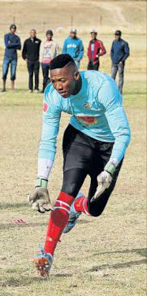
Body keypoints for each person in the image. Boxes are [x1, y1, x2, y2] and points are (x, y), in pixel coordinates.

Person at [29, 54, 131, 277]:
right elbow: (47, 139)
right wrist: (41, 181)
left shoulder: (103, 87)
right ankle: (46, 254)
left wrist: (110, 168)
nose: (58, 86)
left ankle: (79, 207)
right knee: (67, 191)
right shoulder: (53, 96)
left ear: (76, 75)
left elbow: (123, 133)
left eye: (63, 80)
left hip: (109, 145)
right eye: (54, 81)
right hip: (79, 139)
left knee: (95, 209)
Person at [2, 24, 21, 92]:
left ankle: (12, 87)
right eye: (12, 28)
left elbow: (19, 47)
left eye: (14, 29)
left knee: (13, 73)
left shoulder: (17, 37)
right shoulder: (6, 36)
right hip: (7, 56)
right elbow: (7, 45)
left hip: (14, 57)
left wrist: (11, 44)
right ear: (10, 29)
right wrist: (15, 44)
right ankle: (3, 87)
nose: (13, 30)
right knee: (4, 72)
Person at [110, 30, 129, 94]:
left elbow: (127, 53)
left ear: (120, 35)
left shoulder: (124, 43)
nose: (117, 36)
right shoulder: (114, 42)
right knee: (112, 77)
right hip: (114, 62)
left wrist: (122, 60)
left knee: (120, 77)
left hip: (120, 63)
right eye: (116, 35)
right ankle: (112, 90)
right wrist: (112, 58)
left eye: (118, 35)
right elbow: (112, 51)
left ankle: (119, 91)